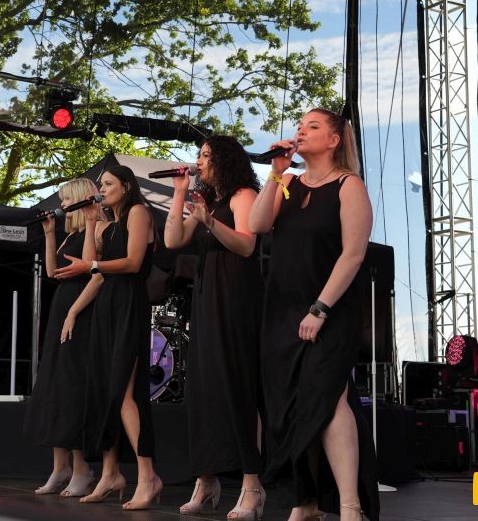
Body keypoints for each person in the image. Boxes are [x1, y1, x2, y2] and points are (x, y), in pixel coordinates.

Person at [248, 108, 379, 521]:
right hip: (282, 310)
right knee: (291, 406)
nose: (301, 131)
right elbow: (256, 224)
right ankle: (305, 502)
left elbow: (353, 255)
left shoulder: (348, 185)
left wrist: (320, 309)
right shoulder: (287, 182)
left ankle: (349, 504)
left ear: (334, 140)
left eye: (313, 127)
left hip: (329, 309)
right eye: (300, 126)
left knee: (327, 399)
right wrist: (276, 172)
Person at [163, 136, 266, 519]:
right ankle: (206, 479)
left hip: (236, 298)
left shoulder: (243, 195)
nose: (199, 161)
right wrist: (180, 193)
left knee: (236, 385)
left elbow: (246, 246)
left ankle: (252, 485)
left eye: (206, 155)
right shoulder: (206, 201)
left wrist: (209, 221)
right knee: (203, 387)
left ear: (224, 160)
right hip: (207, 298)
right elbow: (173, 240)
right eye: (199, 155)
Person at [55, 165, 163, 511]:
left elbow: (132, 263)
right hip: (108, 308)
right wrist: (90, 222)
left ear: (126, 186)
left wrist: (93, 267)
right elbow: (91, 265)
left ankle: (148, 476)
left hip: (129, 304)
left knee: (126, 395)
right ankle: (110, 473)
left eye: (108, 183)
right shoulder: (110, 224)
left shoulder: (138, 212)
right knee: (107, 394)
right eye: (100, 184)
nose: (101, 188)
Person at [23, 178, 101, 497]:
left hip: (81, 311)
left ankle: (82, 468)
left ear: (81, 199)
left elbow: (93, 274)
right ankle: (60, 467)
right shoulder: (70, 234)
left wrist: (73, 313)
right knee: (56, 386)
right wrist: (49, 233)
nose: (63, 204)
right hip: (62, 306)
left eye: (67, 199)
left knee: (72, 388)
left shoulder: (97, 229)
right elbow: (52, 273)